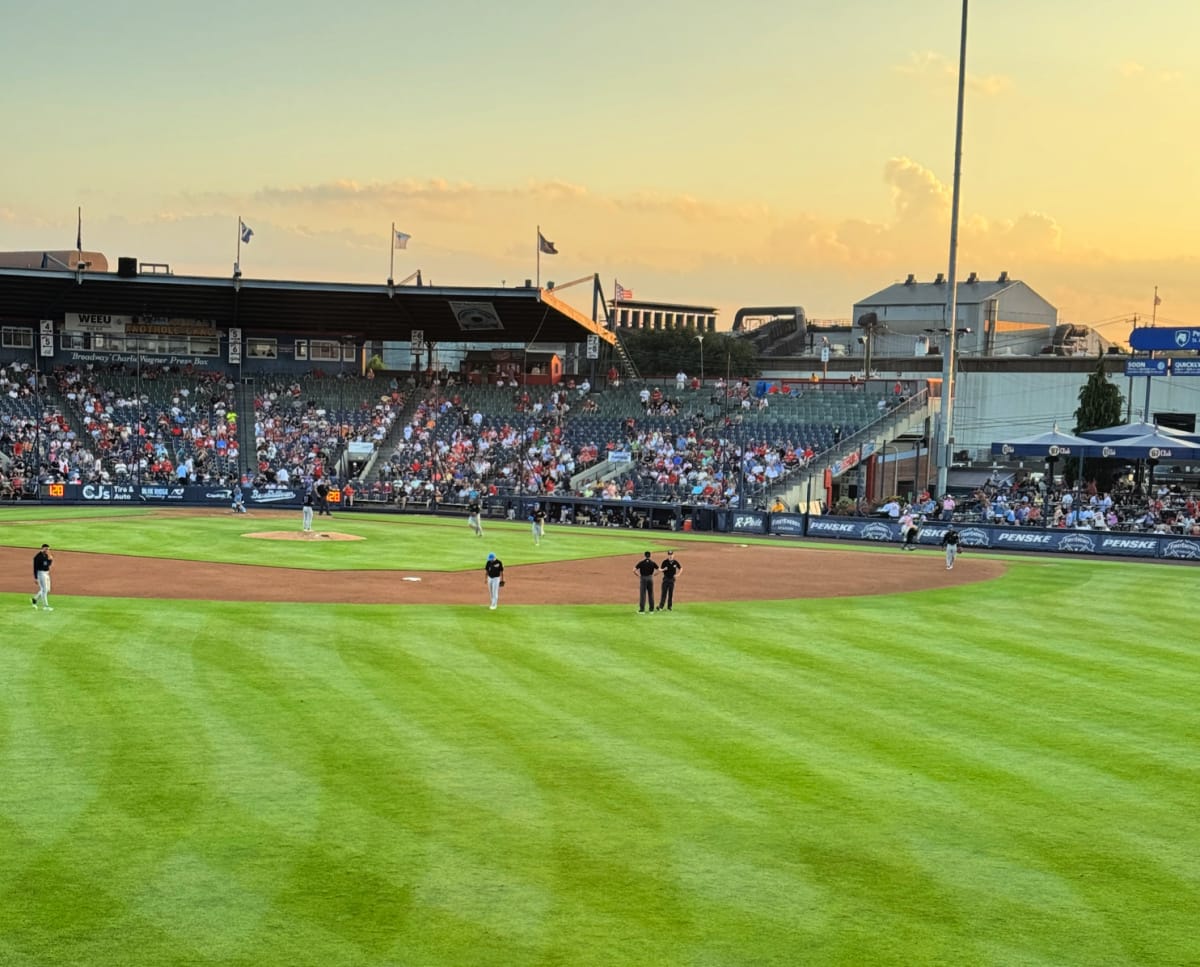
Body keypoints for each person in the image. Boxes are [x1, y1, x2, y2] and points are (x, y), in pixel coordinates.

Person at [32, 543, 53, 611]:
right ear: (43, 548)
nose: (47, 550)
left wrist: (50, 560)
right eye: (46, 549)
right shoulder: (37, 557)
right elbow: (35, 568)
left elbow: (47, 565)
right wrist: (36, 578)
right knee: (44, 590)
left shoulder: (46, 555)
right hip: (41, 573)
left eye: (48, 549)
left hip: (46, 573)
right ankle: (45, 606)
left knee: (47, 589)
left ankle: (35, 599)